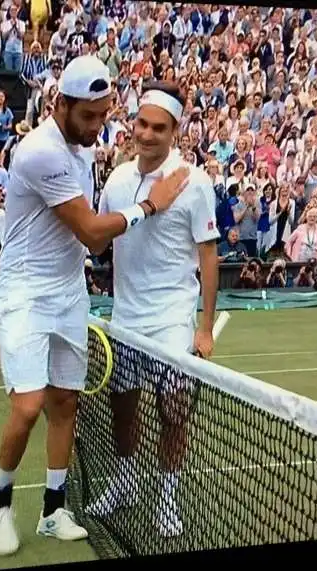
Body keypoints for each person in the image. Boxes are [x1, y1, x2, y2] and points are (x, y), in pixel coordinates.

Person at [0, 55, 189, 557]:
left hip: (68, 293)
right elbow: (94, 235)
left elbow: (79, 241)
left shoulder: (81, 151)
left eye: (103, 115)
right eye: (88, 117)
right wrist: (150, 204)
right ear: (61, 105)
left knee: (66, 404)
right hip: (25, 294)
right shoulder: (41, 153)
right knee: (29, 405)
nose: (98, 127)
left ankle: (54, 509)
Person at [86, 81, 220, 537]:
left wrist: (203, 330)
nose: (145, 134)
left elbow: (208, 256)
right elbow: (100, 236)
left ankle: (167, 494)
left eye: (157, 128)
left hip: (172, 321)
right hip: (126, 318)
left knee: (173, 411)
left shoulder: (195, 183)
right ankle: (125, 481)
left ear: (174, 131)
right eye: (141, 123)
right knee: (122, 408)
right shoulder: (118, 178)